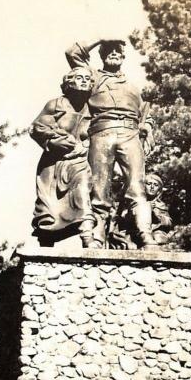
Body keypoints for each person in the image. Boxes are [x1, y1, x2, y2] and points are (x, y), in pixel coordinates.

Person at [65, 38, 154, 249]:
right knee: (99, 189)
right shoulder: (92, 77)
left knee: (137, 187)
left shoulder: (133, 87)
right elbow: (72, 53)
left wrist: (147, 128)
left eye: (118, 51)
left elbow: (146, 115)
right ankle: (96, 238)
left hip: (130, 135)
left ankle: (146, 236)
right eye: (109, 50)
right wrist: (100, 39)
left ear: (123, 57)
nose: (114, 53)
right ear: (102, 55)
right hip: (101, 133)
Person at [30, 67, 95, 245]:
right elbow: (36, 128)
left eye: (88, 79)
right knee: (48, 209)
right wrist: (51, 142)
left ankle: (87, 236)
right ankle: (46, 243)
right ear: (69, 82)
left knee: (83, 192)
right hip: (53, 163)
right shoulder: (56, 105)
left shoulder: (93, 108)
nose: (84, 81)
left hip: (79, 161)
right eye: (79, 78)